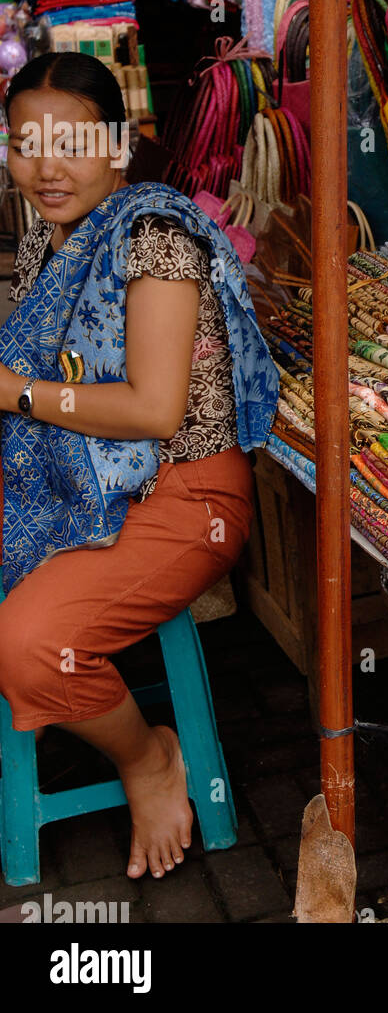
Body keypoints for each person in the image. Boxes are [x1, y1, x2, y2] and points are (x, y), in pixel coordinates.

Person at [0, 52, 278, 881]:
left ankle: (149, 760)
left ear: (119, 148)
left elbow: (154, 411)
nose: (46, 167)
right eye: (24, 144)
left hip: (182, 496)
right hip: (78, 473)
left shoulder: (153, 237)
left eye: (71, 143)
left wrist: (16, 394)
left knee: (24, 644)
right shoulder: (50, 238)